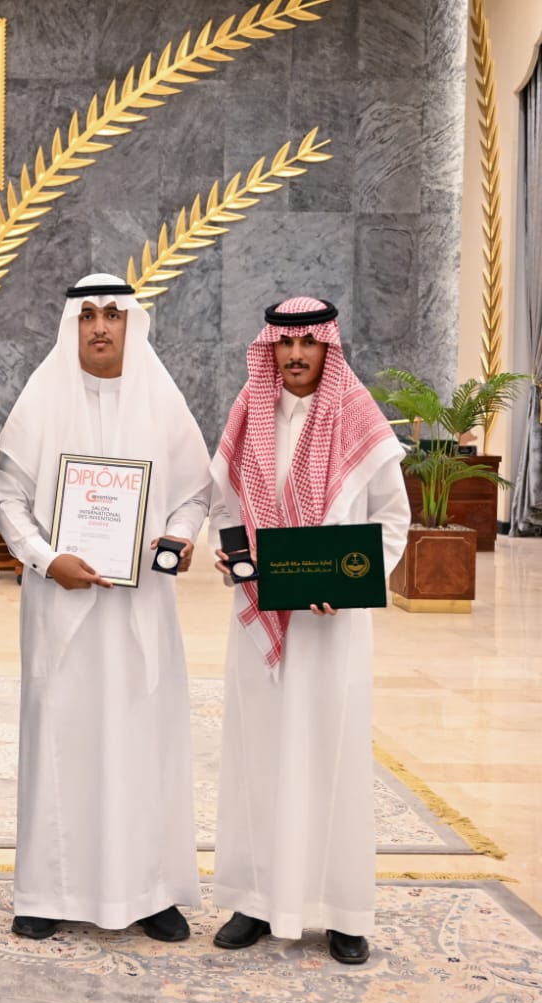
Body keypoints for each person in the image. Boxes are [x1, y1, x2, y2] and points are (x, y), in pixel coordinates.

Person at [0, 274, 211, 943]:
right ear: (72, 325)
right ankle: (47, 890)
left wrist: (179, 538)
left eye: (113, 314)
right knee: (61, 739)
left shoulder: (160, 399)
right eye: (87, 315)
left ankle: (149, 892)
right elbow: (7, 498)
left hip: (140, 609)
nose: (100, 326)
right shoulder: (43, 396)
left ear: (131, 323)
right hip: (61, 605)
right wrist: (44, 558)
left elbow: (195, 494)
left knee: (141, 740)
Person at [208, 297, 410, 965]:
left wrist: (352, 583)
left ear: (328, 346)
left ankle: (341, 911)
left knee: (332, 756)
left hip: (332, 628)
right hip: (262, 615)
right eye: (284, 344)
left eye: (308, 343)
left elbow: (393, 520)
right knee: (258, 755)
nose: (295, 355)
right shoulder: (249, 410)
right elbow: (224, 507)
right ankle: (254, 899)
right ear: (270, 348)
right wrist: (228, 554)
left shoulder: (358, 417)